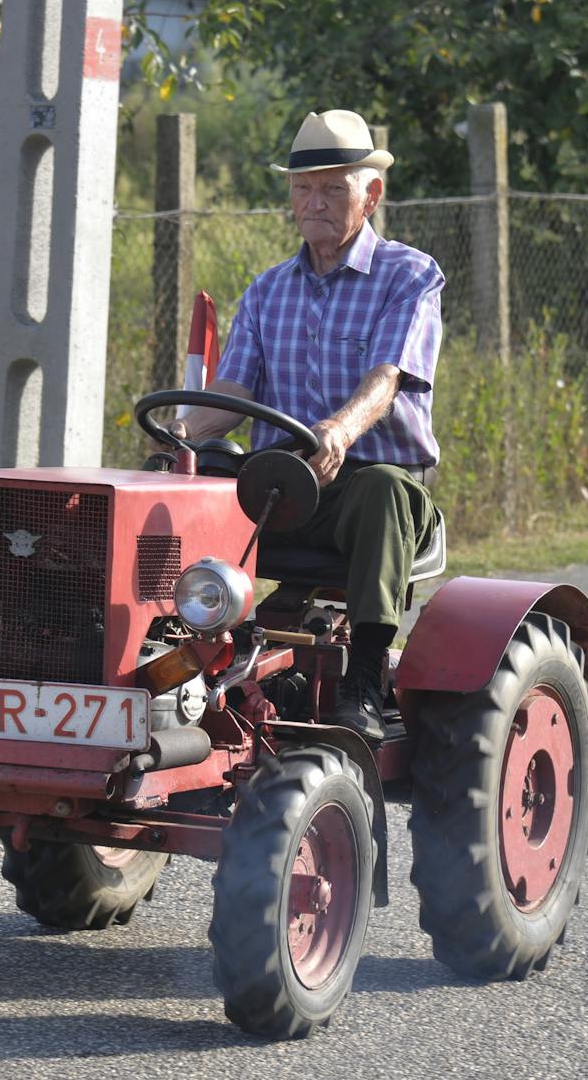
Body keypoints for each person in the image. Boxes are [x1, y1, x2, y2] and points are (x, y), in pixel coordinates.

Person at [172, 109, 442, 740]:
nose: (313, 202)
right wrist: (182, 436)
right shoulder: (269, 290)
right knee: (196, 476)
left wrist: (341, 431)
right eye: (303, 188)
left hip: (372, 487)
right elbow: (234, 390)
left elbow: (387, 377)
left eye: (332, 187)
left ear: (370, 195)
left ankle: (366, 682)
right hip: (282, 491)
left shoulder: (410, 275)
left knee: (380, 487)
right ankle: (202, 657)